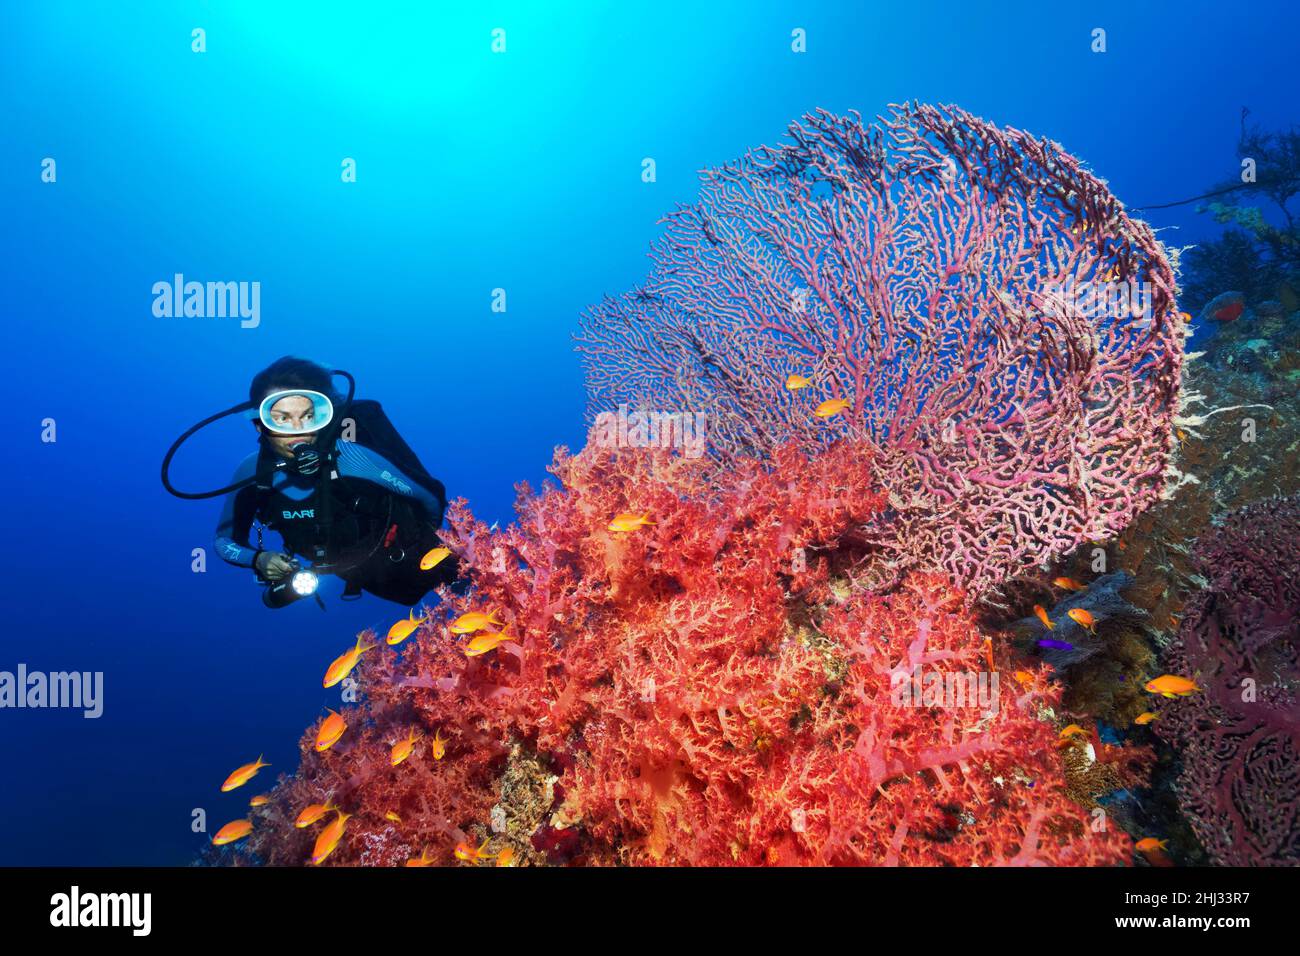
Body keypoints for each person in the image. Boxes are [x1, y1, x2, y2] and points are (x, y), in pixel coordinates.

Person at [212, 357, 457, 607]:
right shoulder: (252, 472)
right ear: (259, 424)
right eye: (282, 419)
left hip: (416, 555)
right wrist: (258, 559)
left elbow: (429, 498)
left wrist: (422, 540)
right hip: (359, 577)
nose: (298, 430)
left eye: (308, 416)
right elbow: (224, 541)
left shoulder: (352, 457)